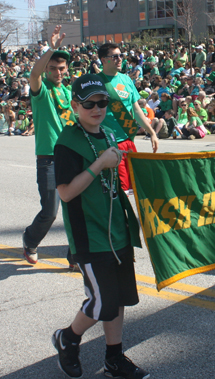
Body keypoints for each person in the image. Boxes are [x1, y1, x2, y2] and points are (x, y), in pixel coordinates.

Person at [52, 74, 148, 379]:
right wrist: (98, 165)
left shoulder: (108, 134)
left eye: (102, 102)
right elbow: (66, 193)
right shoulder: (67, 142)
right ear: (75, 106)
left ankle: (113, 358)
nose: (97, 108)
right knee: (103, 301)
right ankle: (68, 337)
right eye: (89, 103)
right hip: (89, 235)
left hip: (116, 229)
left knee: (119, 299)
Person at [23, 26, 77, 265]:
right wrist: (51, 48)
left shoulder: (67, 92)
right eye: (53, 68)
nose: (57, 72)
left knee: (75, 210)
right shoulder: (41, 90)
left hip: (71, 157)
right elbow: (33, 76)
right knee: (50, 212)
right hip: (48, 159)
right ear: (46, 68)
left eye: (61, 68)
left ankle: (74, 255)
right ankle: (30, 240)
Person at [97, 43, 158, 194]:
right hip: (108, 142)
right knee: (118, 189)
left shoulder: (126, 80)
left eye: (121, 56)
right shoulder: (96, 81)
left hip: (128, 140)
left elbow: (136, 109)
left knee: (135, 186)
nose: (120, 59)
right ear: (104, 60)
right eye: (115, 56)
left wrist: (152, 132)